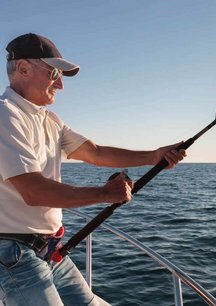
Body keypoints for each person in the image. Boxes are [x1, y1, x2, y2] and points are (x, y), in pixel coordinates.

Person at [0, 33, 186, 306]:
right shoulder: (6, 116)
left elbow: (95, 153)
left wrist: (154, 155)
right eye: (54, 73)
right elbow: (33, 190)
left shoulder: (49, 120)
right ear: (24, 68)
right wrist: (103, 194)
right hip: (13, 255)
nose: (61, 84)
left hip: (49, 250)